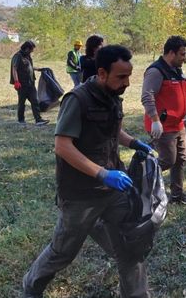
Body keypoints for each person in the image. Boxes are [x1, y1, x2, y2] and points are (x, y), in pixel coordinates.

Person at [22, 45, 155, 298]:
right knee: (62, 252)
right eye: (121, 77)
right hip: (81, 194)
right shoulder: (78, 99)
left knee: (130, 247)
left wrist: (134, 143)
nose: (127, 82)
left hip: (114, 191)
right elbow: (62, 146)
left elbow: (113, 130)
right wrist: (101, 173)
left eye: (129, 76)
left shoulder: (113, 95)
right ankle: (31, 287)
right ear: (102, 73)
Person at [141, 36, 186, 205]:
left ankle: (177, 196)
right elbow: (147, 96)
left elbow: (181, 95)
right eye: (182, 54)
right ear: (171, 53)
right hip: (162, 126)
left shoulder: (177, 70)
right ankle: (139, 180)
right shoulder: (156, 71)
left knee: (180, 159)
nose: (185, 58)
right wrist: (155, 120)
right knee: (168, 160)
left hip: (178, 124)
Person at [10, 41, 49, 126]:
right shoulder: (18, 56)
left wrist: (39, 69)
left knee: (35, 101)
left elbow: (30, 67)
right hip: (22, 84)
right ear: (27, 48)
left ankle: (38, 120)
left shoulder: (27, 56)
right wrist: (16, 81)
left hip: (30, 84)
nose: (32, 51)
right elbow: (14, 69)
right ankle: (21, 120)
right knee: (22, 102)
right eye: (31, 50)